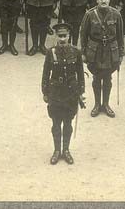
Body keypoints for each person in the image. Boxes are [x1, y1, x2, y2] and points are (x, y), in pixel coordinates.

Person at [41, 22, 85, 164]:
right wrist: (45, 91)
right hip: (55, 92)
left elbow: (80, 72)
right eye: (59, 36)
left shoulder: (76, 52)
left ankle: (66, 150)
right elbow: (46, 72)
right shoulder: (50, 52)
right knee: (55, 123)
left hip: (71, 92)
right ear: (56, 36)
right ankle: (56, 150)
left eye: (64, 36)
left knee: (67, 123)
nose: (62, 39)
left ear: (69, 36)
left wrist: (81, 91)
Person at [79, 0, 124, 118]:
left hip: (111, 50)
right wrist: (83, 52)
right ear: (96, 0)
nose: (103, 1)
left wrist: (121, 53)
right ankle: (97, 105)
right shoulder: (89, 14)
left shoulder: (116, 14)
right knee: (97, 78)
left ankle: (106, 104)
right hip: (95, 50)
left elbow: (120, 36)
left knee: (108, 78)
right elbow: (83, 35)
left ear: (109, 0)